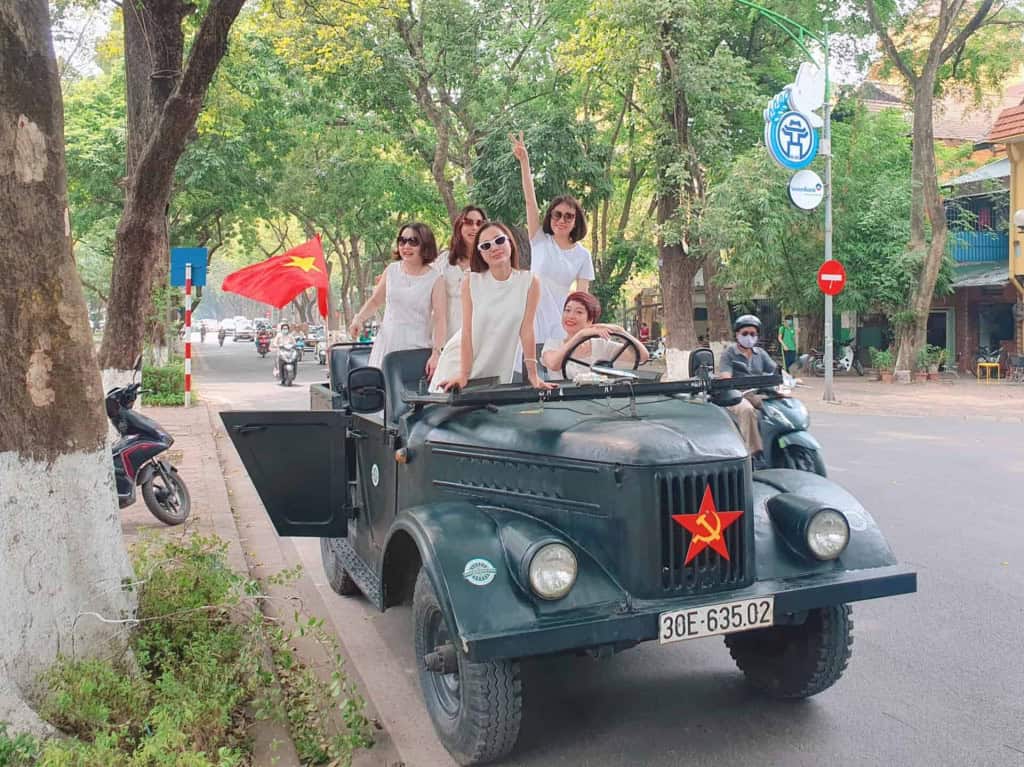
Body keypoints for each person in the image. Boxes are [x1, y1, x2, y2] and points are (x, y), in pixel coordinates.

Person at [430, 221, 554, 393]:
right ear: (480, 254)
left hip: (496, 367)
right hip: (459, 364)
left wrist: (533, 375)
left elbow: (527, 330)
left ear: (510, 242)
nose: (494, 247)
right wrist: (464, 375)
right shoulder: (471, 282)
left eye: (499, 240)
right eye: (486, 246)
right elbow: (467, 331)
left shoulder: (530, 282)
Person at [511, 132, 596, 343]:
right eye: (557, 214)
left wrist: (579, 331)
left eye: (569, 216)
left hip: (560, 324)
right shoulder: (539, 239)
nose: (562, 220)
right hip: (529, 317)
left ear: (576, 221)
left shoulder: (583, 256)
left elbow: (582, 299)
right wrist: (524, 161)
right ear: (550, 217)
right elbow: (530, 201)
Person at [348, 223, 446, 377]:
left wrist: (436, 353)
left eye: (413, 241)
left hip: (416, 351)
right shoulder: (392, 270)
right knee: (382, 396)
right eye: (402, 241)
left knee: (411, 398)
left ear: (425, 245)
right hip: (386, 347)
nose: (406, 246)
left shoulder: (436, 279)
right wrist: (359, 319)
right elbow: (375, 301)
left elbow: (440, 319)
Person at [541, 292, 649, 381]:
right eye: (567, 310)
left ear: (590, 320)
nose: (570, 316)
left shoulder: (601, 345)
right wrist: (580, 335)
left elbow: (642, 357)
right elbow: (554, 364)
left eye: (579, 312)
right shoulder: (553, 344)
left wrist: (621, 331)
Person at [718, 314, 777, 464]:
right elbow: (726, 377)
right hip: (736, 395)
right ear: (737, 335)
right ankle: (753, 454)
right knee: (747, 410)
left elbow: (775, 370)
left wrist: (791, 379)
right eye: (745, 334)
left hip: (757, 393)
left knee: (779, 407)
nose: (749, 337)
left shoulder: (761, 353)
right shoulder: (729, 353)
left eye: (753, 334)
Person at [437, 205, 487, 342]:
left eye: (479, 223)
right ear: (460, 225)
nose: (474, 228)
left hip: (479, 334)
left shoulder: (490, 261)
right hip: (446, 334)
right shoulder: (443, 260)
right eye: (469, 222)